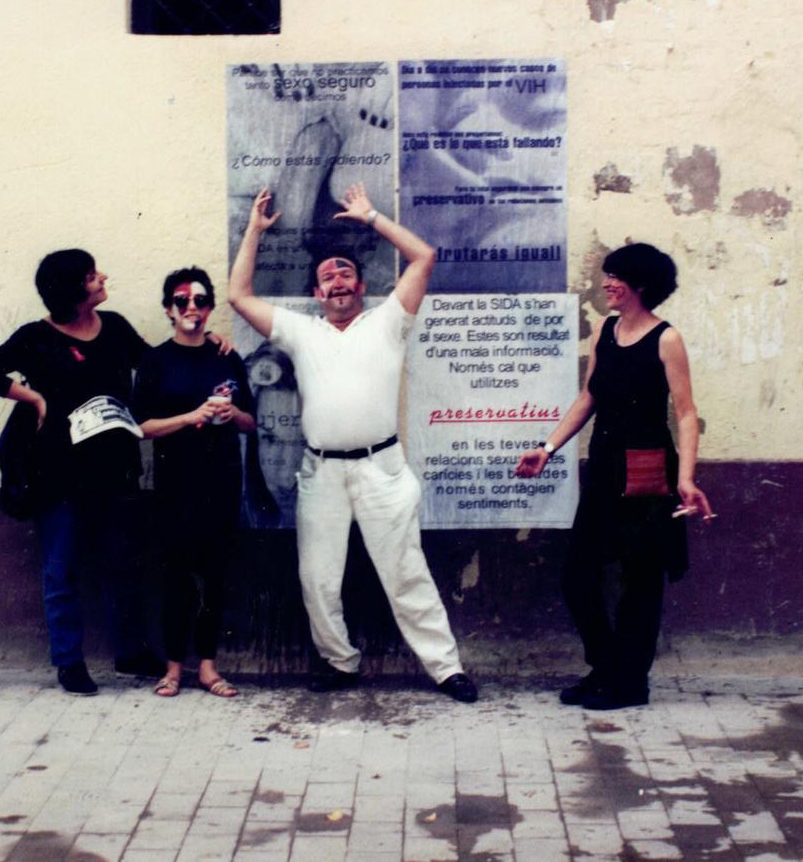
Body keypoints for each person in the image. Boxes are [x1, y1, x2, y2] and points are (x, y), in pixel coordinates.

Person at [228, 183, 478, 703]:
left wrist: (371, 217)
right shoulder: (301, 332)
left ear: (361, 285)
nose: (337, 281)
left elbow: (424, 257)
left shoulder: (388, 322)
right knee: (317, 578)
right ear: (317, 294)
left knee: (405, 573)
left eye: (344, 274)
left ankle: (446, 668)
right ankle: (340, 662)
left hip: (381, 469)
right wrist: (253, 229)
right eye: (327, 277)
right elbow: (239, 297)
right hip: (322, 474)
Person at [515, 243, 713, 711]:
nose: (606, 283)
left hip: (648, 471)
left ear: (641, 284)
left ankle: (630, 684)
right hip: (605, 467)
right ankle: (607, 667)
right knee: (577, 575)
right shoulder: (605, 330)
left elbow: (685, 413)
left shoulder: (666, 338)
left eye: (616, 276)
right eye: (607, 274)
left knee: (640, 581)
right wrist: (547, 448)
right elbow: (589, 397)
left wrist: (686, 478)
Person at [0, 249, 168, 695]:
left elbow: (156, 364)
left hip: (115, 468)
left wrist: (208, 343)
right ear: (73, 288)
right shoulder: (35, 337)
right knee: (61, 569)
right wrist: (34, 398)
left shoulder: (114, 326)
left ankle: (130, 653)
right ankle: (69, 662)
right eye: (93, 275)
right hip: (57, 473)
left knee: (122, 563)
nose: (103, 278)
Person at [131, 267, 257, 699]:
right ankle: (172, 669)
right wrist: (190, 417)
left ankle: (207, 668)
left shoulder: (226, 357)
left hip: (221, 482)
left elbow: (250, 422)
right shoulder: (155, 361)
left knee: (215, 576)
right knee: (176, 578)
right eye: (182, 301)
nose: (192, 308)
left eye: (200, 301)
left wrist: (232, 414)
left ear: (210, 308)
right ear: (168, 309)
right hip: (175, 486)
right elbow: (140, 427)